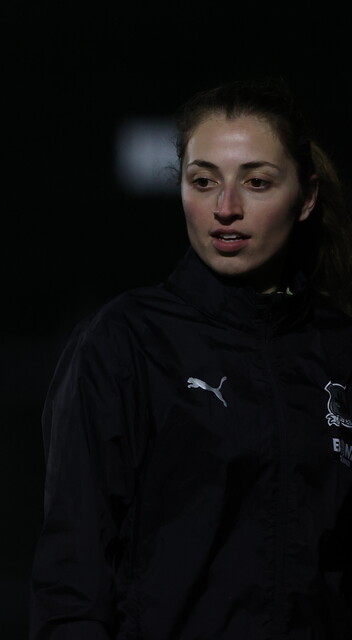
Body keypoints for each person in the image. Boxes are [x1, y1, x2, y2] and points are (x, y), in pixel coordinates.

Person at [29, 78, 352, 639]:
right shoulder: (127, 343)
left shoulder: (339, 349)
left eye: (257, 182)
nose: (226, 208)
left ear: (306, 197)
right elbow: (71, 578)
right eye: (203, 182)